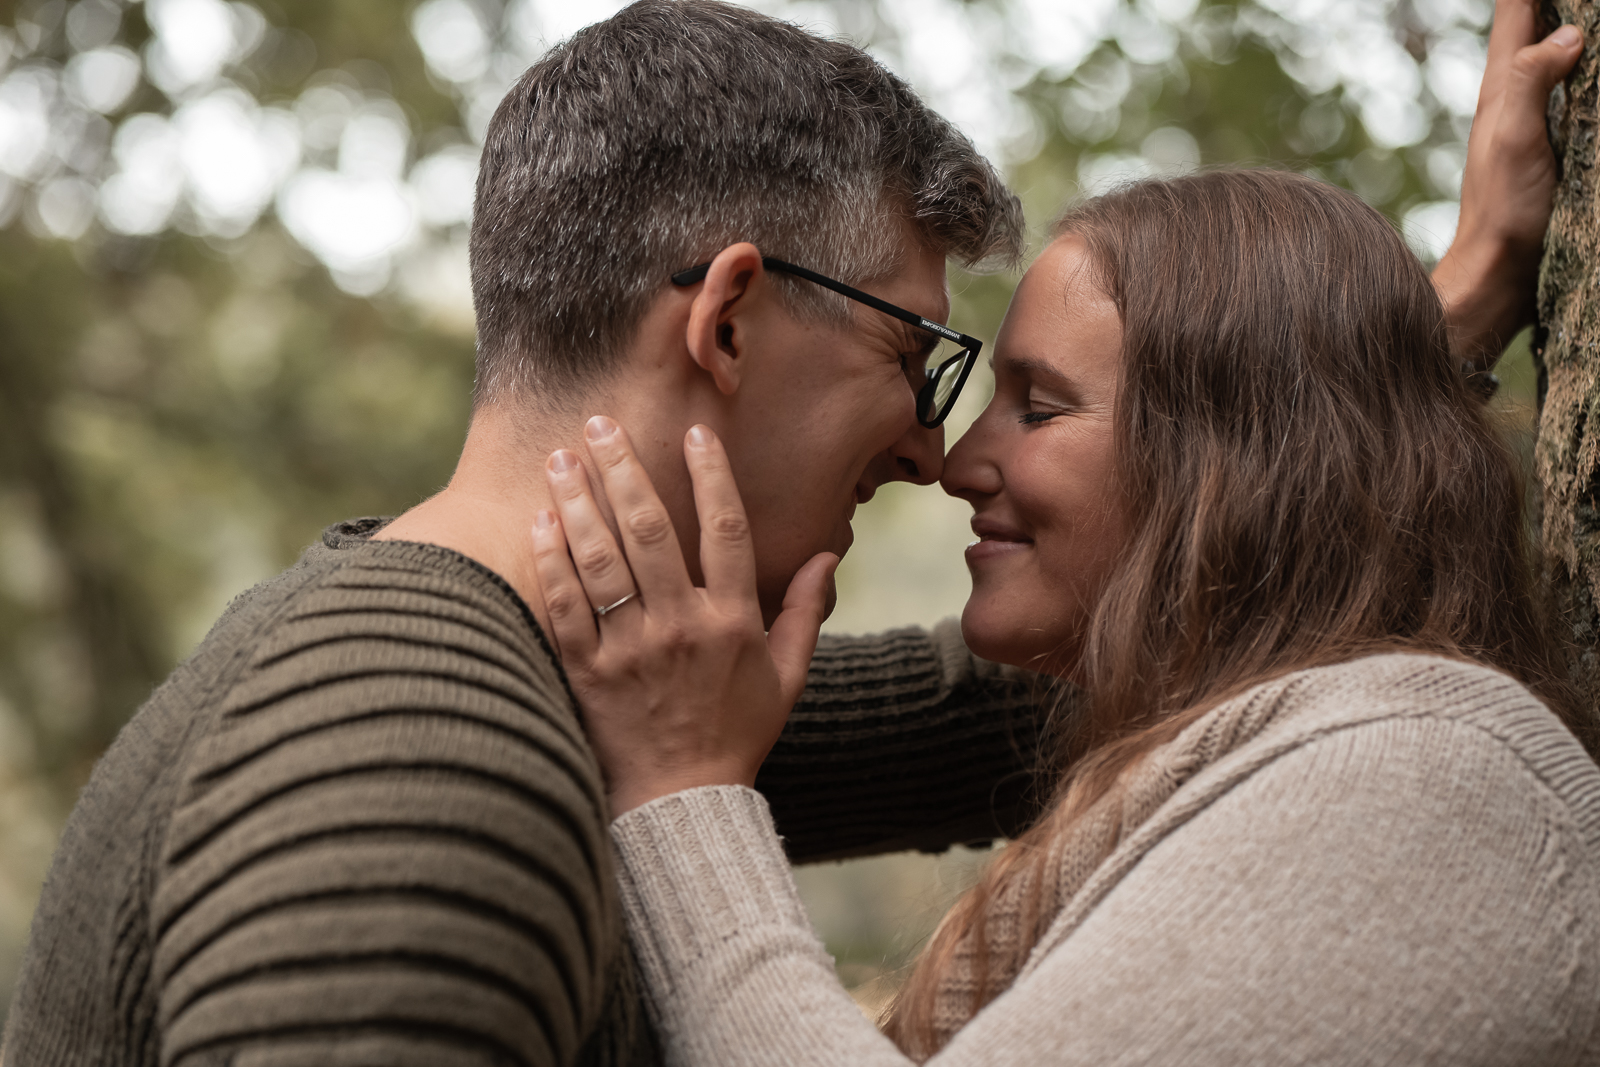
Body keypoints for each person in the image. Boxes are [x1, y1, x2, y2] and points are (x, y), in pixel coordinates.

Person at [0, 0, 1578, 1062]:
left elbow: (1141, 644)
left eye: (1013, 400)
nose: (927, 447)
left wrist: (1377, 364)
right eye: (919, 356)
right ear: (737, 320)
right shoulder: (416, 756)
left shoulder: (575, 676)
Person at [533, 167, 1600, 1065]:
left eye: (1037, 407)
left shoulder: (1414, 783)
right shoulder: (1312, 744)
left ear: (1239, 466)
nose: (954, 462)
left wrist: (685, 791)